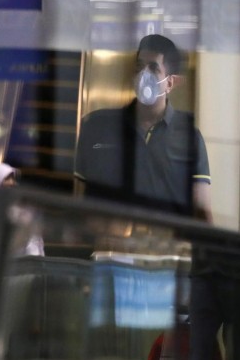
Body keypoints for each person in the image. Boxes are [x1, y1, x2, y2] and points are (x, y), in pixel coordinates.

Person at [74, 34, 212, 221]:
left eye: (153, 68)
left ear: (169, 83)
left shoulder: (189, 137)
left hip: (167, 246)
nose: (143, 75)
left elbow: (201, 210)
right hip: (109, 245)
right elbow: (79, 201)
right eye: (139, 67)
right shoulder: (97, 126)